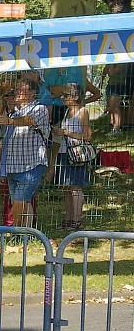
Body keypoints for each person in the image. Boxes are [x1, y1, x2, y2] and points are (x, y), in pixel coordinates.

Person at [0, 76, 50, 229]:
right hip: (13, 167)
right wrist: (1, 166)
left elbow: (29, 121)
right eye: (15, 89)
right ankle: (28, 234)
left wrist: (9, 121)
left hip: (31, 166)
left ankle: (16, 234)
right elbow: (6, 141)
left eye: (20, 89)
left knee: (19, 202)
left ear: (32, 93)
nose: (16, 92)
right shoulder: (14, 113)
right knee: (22, 203)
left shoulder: (40, 109)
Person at [54, 87, 96, 232]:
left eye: (66, 95)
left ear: (76, 97)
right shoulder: (66, 112)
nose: (63, 97)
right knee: (66, 188)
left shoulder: (82, 112)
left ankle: (77, 220)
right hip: (65, 152)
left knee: (75, 188)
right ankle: (68, 219)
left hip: (77, 155)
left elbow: (88, 136)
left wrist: (66, 132)